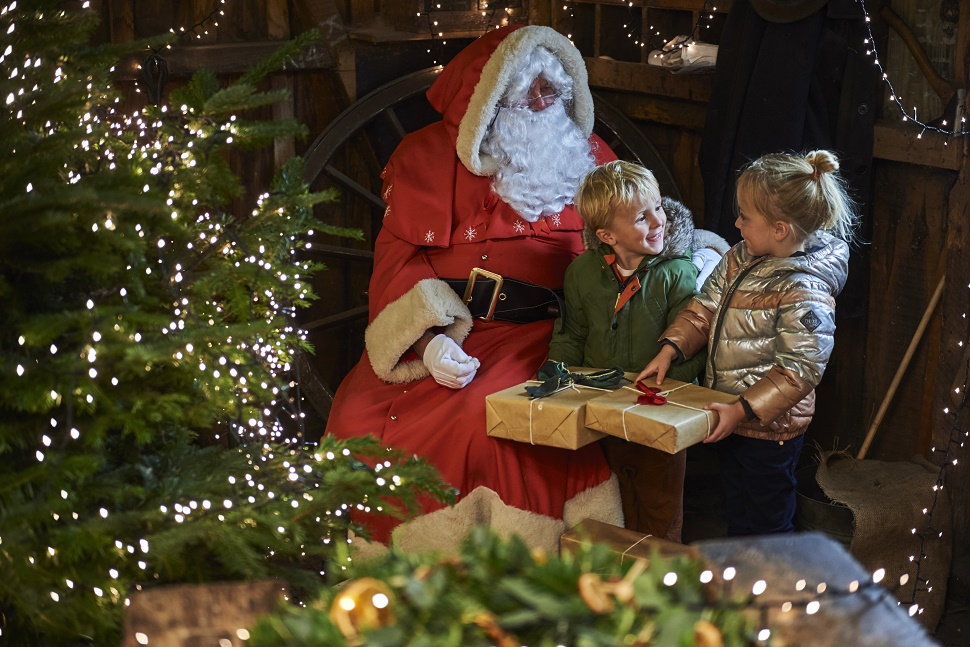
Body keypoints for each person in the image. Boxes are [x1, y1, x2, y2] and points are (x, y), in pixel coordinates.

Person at [325, 25, 624, 556]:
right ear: (487, 97)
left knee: (481, 417)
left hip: (542, 335)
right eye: (528, 89)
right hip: (445, 328)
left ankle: (496, 579)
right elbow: (396, 263)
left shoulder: (591, 158)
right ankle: (398, 582)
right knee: (357, 414)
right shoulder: (423, 158)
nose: (541, 101)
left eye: (551, 90)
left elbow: (641, 231)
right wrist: (428, 340)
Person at [637, 149, 856, 537]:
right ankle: (745, 588)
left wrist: (743, 409)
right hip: (731, 416)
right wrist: (670, 349)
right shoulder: (741, 256)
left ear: (779, 229)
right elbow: (704, 307)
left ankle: (773, 594)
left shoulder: (804, 288)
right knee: (738, 511)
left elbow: (800, 370)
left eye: (745, 217)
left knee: (767, 522)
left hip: (769, 429)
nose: (736, 223)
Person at [547, 160, 727, 542]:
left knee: (660, 508)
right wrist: (554, 372)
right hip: (600, 409)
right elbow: (573, 332)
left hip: (657, 411)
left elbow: (693, 347)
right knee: (612, 503)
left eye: (658, 207)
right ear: (607, 235)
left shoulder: (677, 273)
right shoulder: (581, 273)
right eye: (642, 217)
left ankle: (660, 585)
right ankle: (616, 585)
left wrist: (665, 392)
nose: (659, 221)